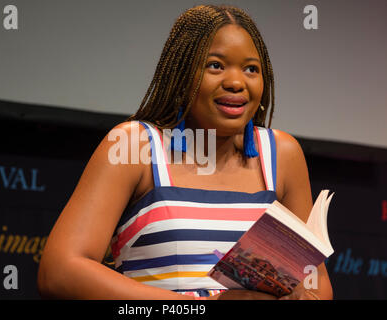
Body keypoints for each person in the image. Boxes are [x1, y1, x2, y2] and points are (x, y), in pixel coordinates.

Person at [37, 4, 333, 300]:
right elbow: (61, 270)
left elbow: (315, 284)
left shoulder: (282, 154)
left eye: (251, 69)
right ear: (182, 76)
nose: (236, 82)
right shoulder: (135, 145)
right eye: (215, 65)